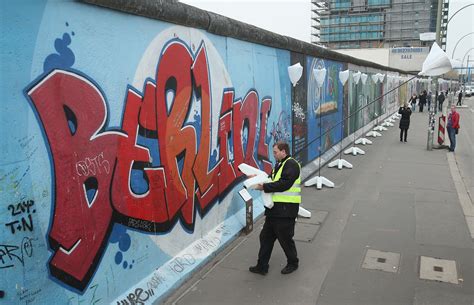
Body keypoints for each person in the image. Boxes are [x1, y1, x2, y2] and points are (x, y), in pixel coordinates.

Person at [249, 141, 301, 275]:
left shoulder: (292, 165)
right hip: (274, 210)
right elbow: (270, 180)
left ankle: (293, 263)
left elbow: (284, 184)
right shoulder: (279, 164)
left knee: (285, 239)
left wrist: (263, 187)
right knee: (265, 237)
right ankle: (262, 266)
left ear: (284, 151)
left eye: (276, 152)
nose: (274, 154)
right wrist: (256, 180)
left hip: (286, 210)